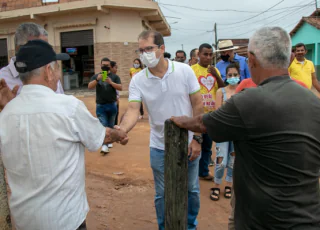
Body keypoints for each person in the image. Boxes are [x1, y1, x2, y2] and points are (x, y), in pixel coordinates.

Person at [171, 26, 320, 229]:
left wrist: (177, 120)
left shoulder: (248, 100)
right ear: (289, 57)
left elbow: (202, 123)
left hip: (261, 219)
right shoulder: (313, 102)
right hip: (309, 218)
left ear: (251, 59)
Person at [0, 40, 128, 230]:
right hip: (65, 220)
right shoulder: (68, 106)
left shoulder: (6, 114)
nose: (59, 75)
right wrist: (120, 134)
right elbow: (101, 136)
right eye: (57, 68)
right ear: (48, 71)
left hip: (24, 220)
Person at [118, 30, 203, 230]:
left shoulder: (184, 71)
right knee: (162, 193)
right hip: (158, 144)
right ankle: (164, 227)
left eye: (149, 48)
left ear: (162, 49)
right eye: (141, 50)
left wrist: (197, 138)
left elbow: (198, 105)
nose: (144, 54)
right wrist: (122, 129)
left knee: (191, 190)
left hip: (188, 141)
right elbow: (132, 110)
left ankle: (190, 226)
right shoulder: (138, 80)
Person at [0, 22, 64, 94]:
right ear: (19, 48)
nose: (46, 52)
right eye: (40, 47)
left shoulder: (52, 72)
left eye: (47, 47)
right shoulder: (2, 80)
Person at [191, 43, 224, 181]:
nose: (208, 57)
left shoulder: (214, 70)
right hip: (195, 115)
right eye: (205, 54)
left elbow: (223, 90)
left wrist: (217, 75)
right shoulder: (191, 70)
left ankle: (203, 172)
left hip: (211, 116)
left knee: (207, 147)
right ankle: (191, 173)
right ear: (198, 55)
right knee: (193, 144)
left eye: (211, 54)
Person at [209, 62, 240, 201]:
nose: (233, 77)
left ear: (239, 75)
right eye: (230, 75)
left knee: (233, 160)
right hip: (223, 131)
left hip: (237, 132)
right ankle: (216, 185)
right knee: (221, 160)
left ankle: (229, 184)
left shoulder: (242, 91)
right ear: (226, 77)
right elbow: (217, 112)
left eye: (235, 75)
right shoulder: (220, 92)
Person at [88, 58, 122, 155]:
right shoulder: (96, 76)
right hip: (101, 105)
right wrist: (97, 79)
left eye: (107, 65)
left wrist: (111, 82)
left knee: (110, 125)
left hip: (112, 104)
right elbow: (90, 87)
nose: (105, 67)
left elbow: (120, 87)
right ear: (100, 65)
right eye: (103, 65)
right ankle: (104, 145)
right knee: (103, 125)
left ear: (110, 66)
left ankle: (109, 141)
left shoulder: (115, 77)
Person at [110, 61, 120, 125]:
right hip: (110, 101)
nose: (116, 69)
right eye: (115, 67)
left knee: (115, 117)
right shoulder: (105, 77)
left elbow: (119, 88)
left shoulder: (116, 77)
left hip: (115, 100)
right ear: (111, 67)